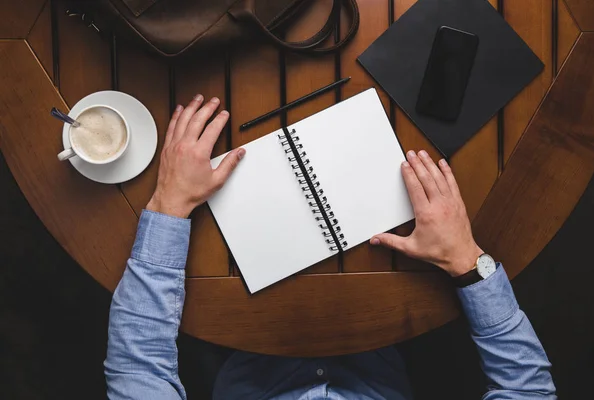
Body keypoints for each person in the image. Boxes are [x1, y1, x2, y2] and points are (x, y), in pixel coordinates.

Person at [104, 96, 557, 400]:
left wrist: (170, 203)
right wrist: (465, 260)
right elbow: (529, 391)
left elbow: (138, 372)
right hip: (397, 351)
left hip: (244, 352)